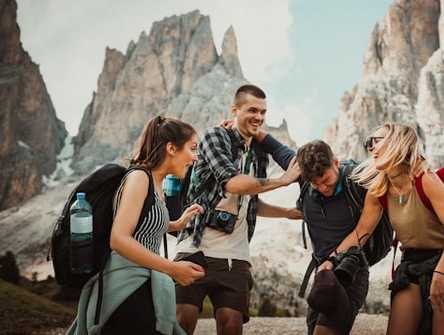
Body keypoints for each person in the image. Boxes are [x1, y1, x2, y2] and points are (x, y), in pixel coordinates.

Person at [335, 122, 444, 335]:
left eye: (376, 141)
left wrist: (440, 275)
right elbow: (361, 232)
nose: (370, 147)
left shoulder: (426, 180)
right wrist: (330, 260)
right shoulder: (379, 190)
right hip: (411, 263)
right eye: (369, 142)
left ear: (397, 142)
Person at [174, 84, 301, 335]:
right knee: (181, 324)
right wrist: (282, 181)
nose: (259, 117)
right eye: (252, 110)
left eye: (263, 112)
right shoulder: (214, 137)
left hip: (236, 256)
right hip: (196, 248)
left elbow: (251, 200)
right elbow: (232, 183)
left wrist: (286, 212)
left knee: (232, 326)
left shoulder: (258, 153)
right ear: (234, 109)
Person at [68, 115, 206, 335]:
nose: (195, 158)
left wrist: (177, 223)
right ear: (171, 148)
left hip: (144, 281)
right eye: (192, 148)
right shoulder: (140, 178)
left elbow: (142, 225)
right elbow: (119, 239)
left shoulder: (157, 183)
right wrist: (172, 269)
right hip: (125, 285)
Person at [256, 134, 371, 335]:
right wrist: (244, 127)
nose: (323, 188)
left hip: (350, 270)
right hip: (323, 274)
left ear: (335, 162)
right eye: (315, 184)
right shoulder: (303, 176)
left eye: (326, 180)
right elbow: (276, 149)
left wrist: (333, 260)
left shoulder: (357, 181)